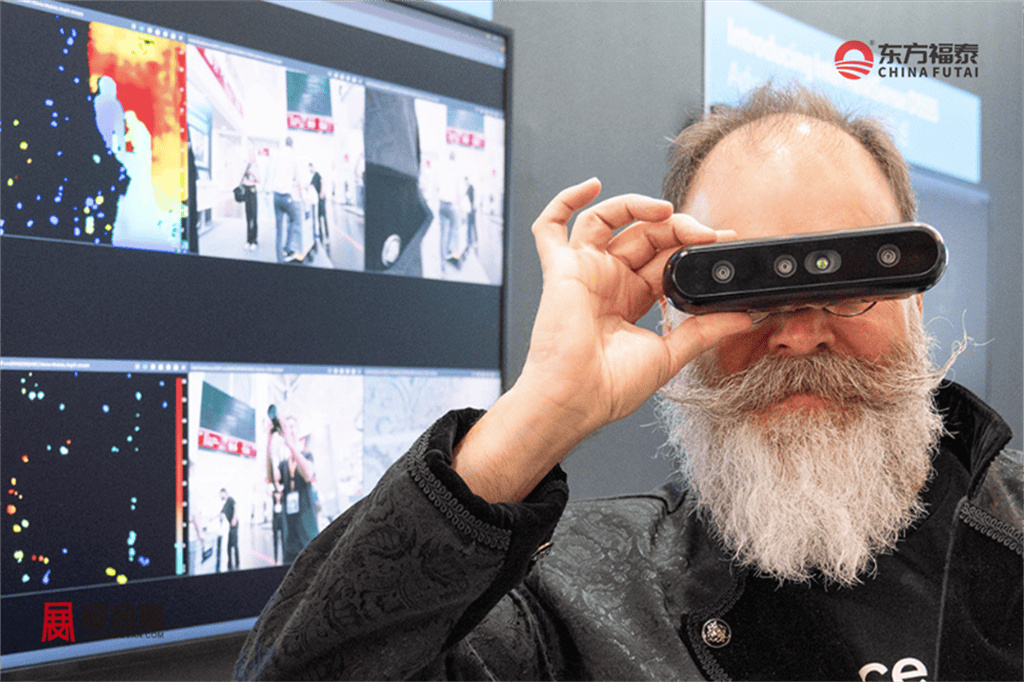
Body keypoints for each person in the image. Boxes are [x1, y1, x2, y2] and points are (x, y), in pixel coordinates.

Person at [234, 85, 1021, 681]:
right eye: (748, 292)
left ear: (916, 297)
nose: (799, 333)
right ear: (678, 308)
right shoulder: (576, 598)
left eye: (850, 282)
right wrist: (539, 413)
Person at [264, 414, 318, 565]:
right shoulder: (283, 465)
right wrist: (269, 440)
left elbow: (307, 473)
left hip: (308, 533)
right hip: (290, 537)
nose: (289, 430)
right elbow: (270, 478)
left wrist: (290, 443)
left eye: (292, 427)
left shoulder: (307, 456)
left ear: (298, 431)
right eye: (286, 427)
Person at [269, 137, 302, 263]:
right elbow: (298, 179)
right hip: (286, 196)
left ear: (285, 143)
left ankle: (279, 259)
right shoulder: (294, 156)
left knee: (278, 229)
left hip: (276, 196)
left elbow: (272, 173)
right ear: (292, 145)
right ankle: (287, 248)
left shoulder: (278, 154)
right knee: (293, 219)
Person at [220, 488, 240, 571]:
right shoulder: (225, 505)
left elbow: (235, 506)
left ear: (224, 493)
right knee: (229, 545)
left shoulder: (230, 499)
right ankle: (229, 562)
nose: (220, 496)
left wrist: (234, 518)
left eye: (221, 494)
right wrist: (211, 519)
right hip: (230, 526)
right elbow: (220, 513)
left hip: (234, 524)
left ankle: (237, 562)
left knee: (234, 544)